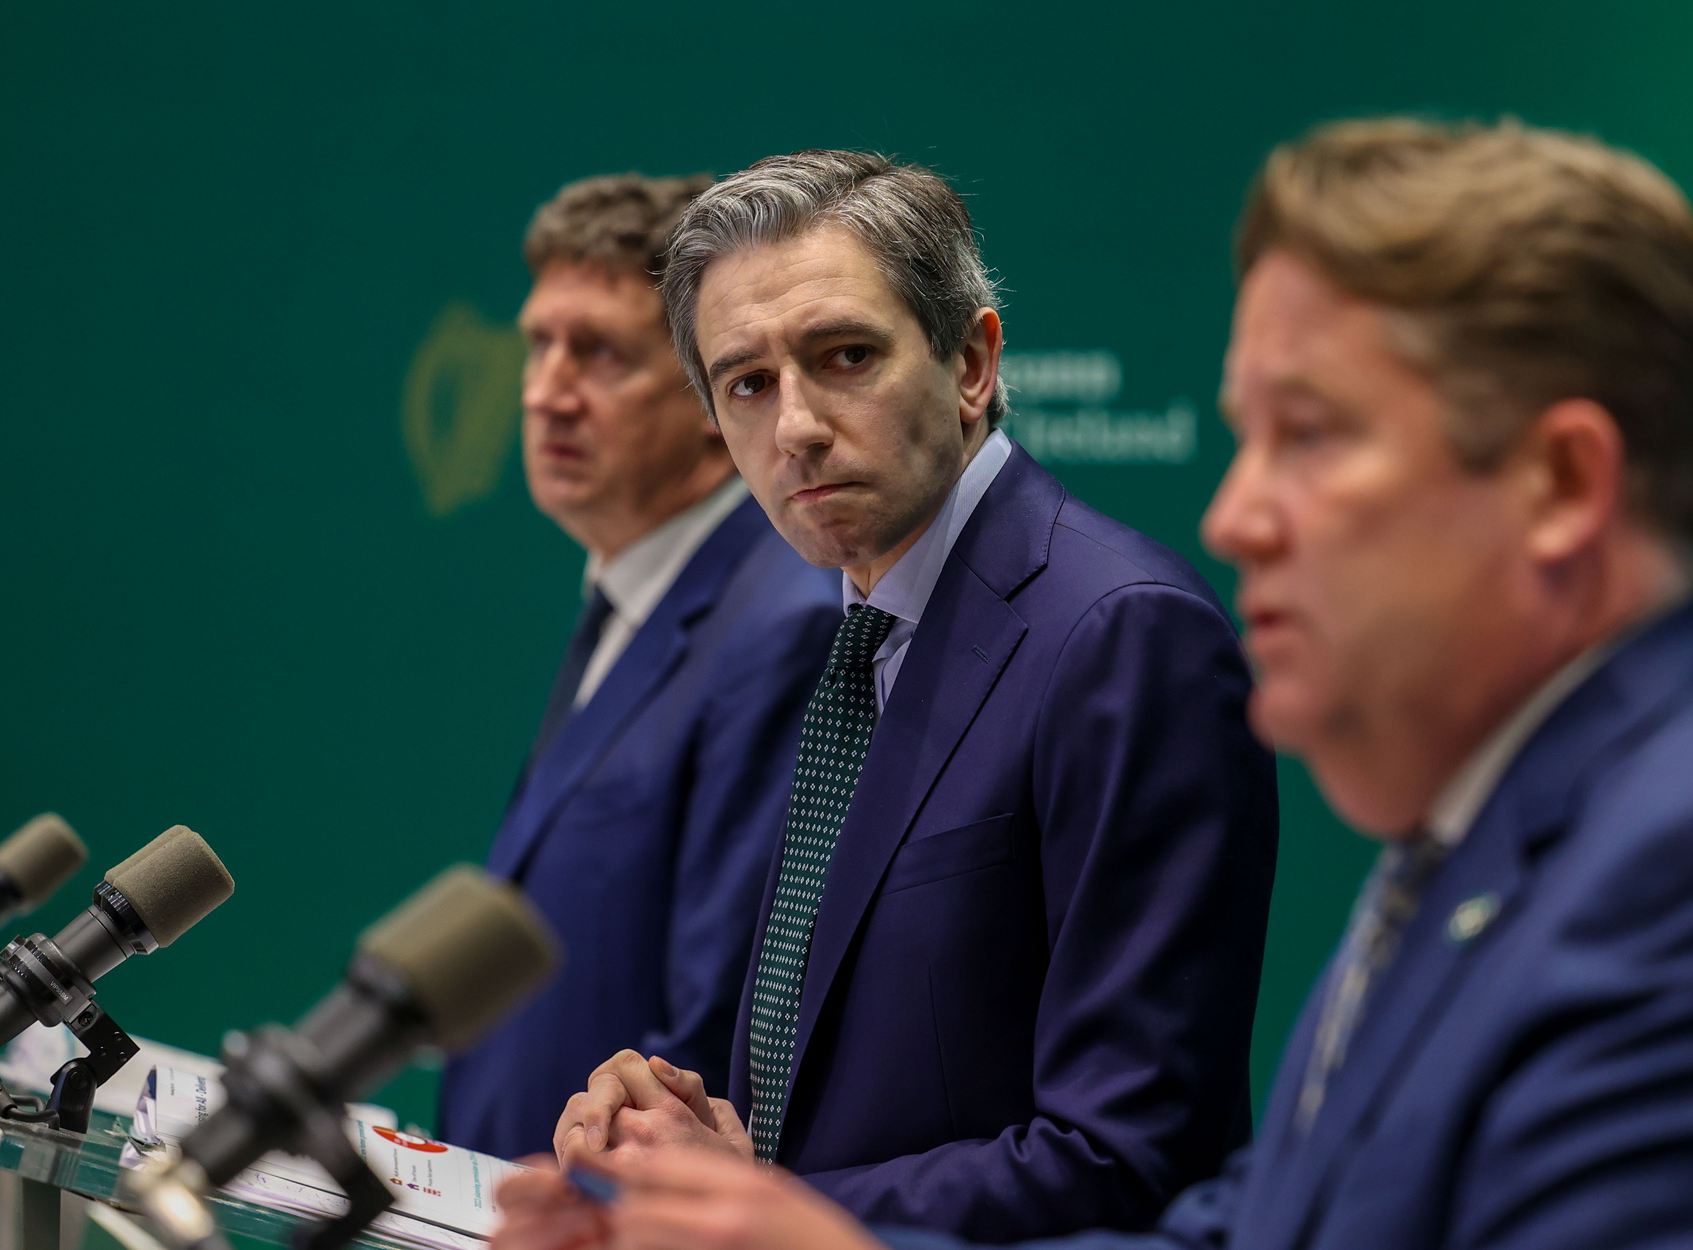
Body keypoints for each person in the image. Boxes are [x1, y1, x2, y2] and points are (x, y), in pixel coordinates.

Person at [492, 120, 1693, 1249]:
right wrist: (727, 1170)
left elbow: (1138, 1160)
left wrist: (807, 1227)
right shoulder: (1488, 831)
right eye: (744, 381)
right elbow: (1256, 1220)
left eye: (1305, 434)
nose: (1236, 511)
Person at [545, 151, 1280, 1242]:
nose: (793, 426)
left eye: (842, 356)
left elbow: (1125, 1157)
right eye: (746, 383)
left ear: (971, 362)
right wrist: (702, 1153)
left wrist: (763, 1212)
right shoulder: (860, 633)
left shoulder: (1121, 631)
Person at [436, 174, 841, 1160]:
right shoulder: (626, 593)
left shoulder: (778, 622)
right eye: (538, 343)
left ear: (716, 391)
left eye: (599, 352)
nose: (543, 390)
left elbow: (711, 1041)